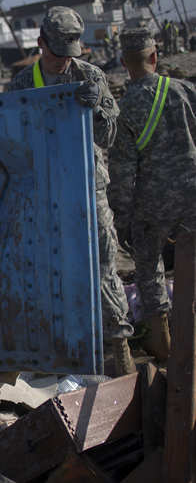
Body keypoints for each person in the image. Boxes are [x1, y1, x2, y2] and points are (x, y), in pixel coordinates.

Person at [7, 6, 135, 376]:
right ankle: (66, 350)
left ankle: (119, 344)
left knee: (103, 263)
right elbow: (10, 140)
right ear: (41, 43)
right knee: (51, 268)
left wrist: (98, 110)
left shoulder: (89, 75)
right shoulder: (23, 84)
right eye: (58, 53)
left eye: (70, 53)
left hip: (87, 185)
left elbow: (109, 136)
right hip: (45, 191)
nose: (65, 62)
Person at [108, 28, 196, 361]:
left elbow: (122, 172)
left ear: (123, 63)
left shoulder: (125, 108)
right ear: (155, 56)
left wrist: (122, 216)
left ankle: (163, 343)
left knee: (149, 268)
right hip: (192, 193)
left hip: (152, 202)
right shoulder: (185, 91)